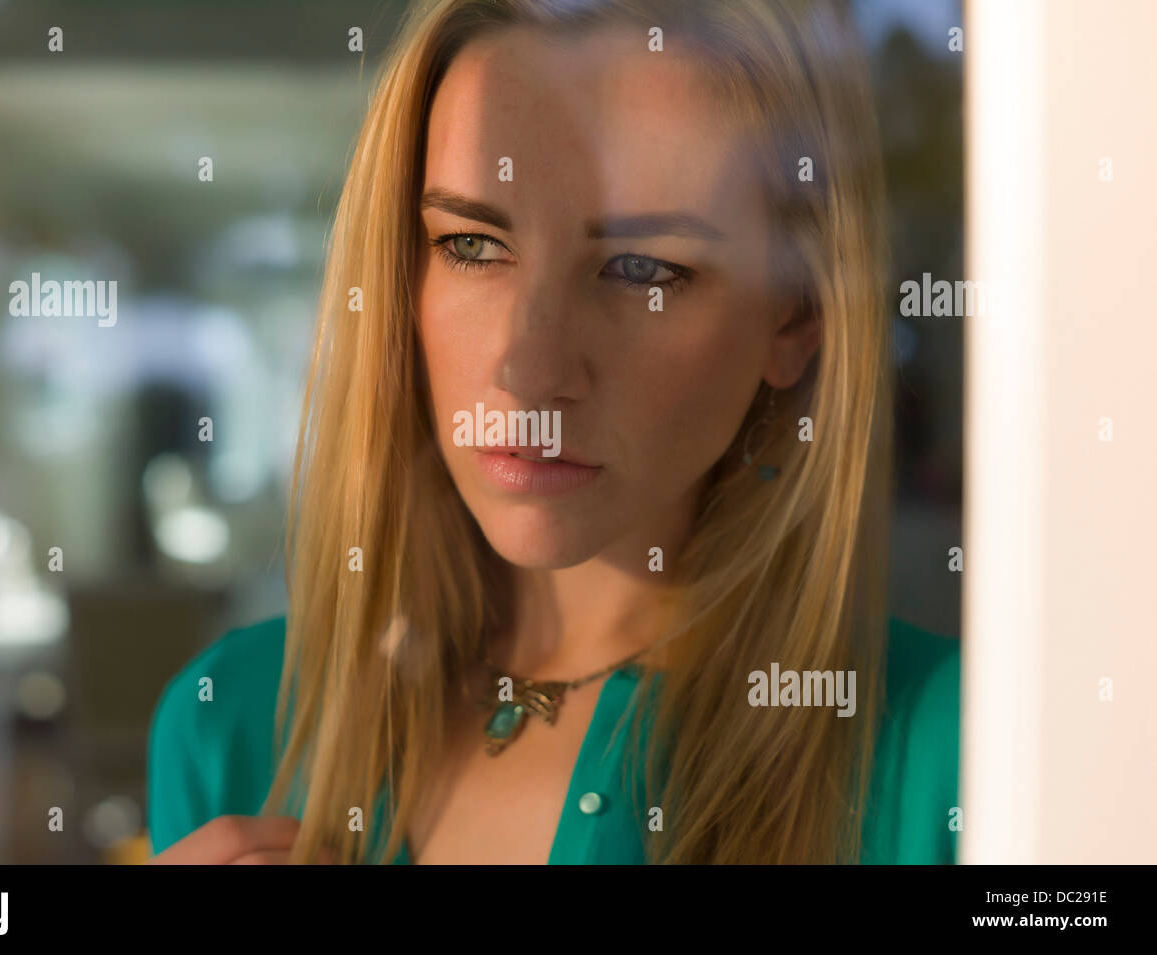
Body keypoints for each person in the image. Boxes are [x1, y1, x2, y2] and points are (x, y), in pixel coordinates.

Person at [147, 0, 960, 865]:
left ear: (796, 317)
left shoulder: (950, 754)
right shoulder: (230, 722)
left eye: (641, 269)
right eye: (470, 245)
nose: (528, 370)